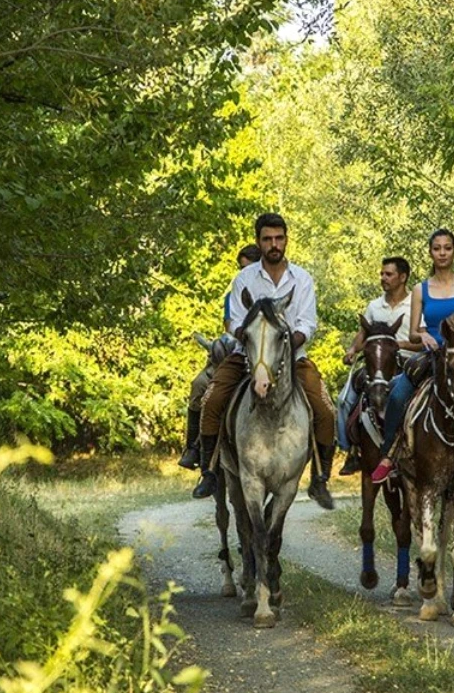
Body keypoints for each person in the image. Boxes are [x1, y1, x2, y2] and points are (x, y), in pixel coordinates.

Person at [192, 213, 338, 509]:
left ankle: (320, 478)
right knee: (211, 397)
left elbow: (308, 323)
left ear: (286, 240)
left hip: (293, 358)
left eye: (279, 238)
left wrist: (285, 344)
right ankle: (208, 471)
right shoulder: (244, 279)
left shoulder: (302, 279)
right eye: (268, 239)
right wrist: (247, 337)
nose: (274, 244)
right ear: (259, 241)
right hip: (246, 357)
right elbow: (232, 320)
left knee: (325, 408)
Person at [369, 229, 454, 489]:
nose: (442, 253)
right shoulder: (421, 290)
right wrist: (423, 336)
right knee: (397, 396)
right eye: (437, 248)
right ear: (431, 252)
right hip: (432, 355)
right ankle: (388, 455)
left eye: (447, 248)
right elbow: (412, 331)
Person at [178, 244, 261, 470]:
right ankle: (196, 452)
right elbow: (229, 326)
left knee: (313, 395)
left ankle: (316, 455)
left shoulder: (276, 292)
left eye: (250, 268)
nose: (245, 273)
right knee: (200, 386)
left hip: (271, 356)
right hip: (238, 355)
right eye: (241, 268)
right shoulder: (231, 296)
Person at [336, 257, 421, 475]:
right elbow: (362, 333)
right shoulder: (374, 306)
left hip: (408, 362)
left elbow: (423, 339)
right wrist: (352, 350)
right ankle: (350, 451)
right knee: (344, 399)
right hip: (376, 363)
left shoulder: (416, 304)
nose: (383, 278)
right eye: (382, 274)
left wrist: (397, 344)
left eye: (388, 274)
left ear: (402, 277)